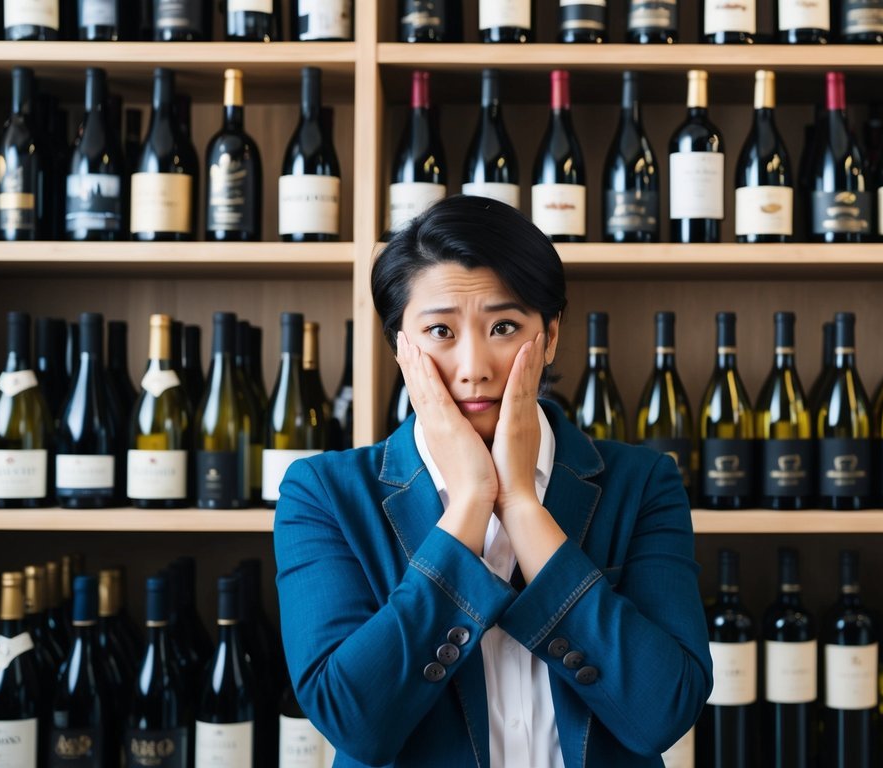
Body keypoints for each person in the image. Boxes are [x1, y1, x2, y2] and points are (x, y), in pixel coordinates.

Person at [274, 195, 713, 767]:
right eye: (439, 331)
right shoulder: (323, 494)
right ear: (399, 348)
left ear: (550, 335)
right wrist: (471, 505)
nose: (474, 367)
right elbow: (355, 722)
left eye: (503, 326)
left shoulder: (643, 483)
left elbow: (664, 712)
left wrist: (524, 507)